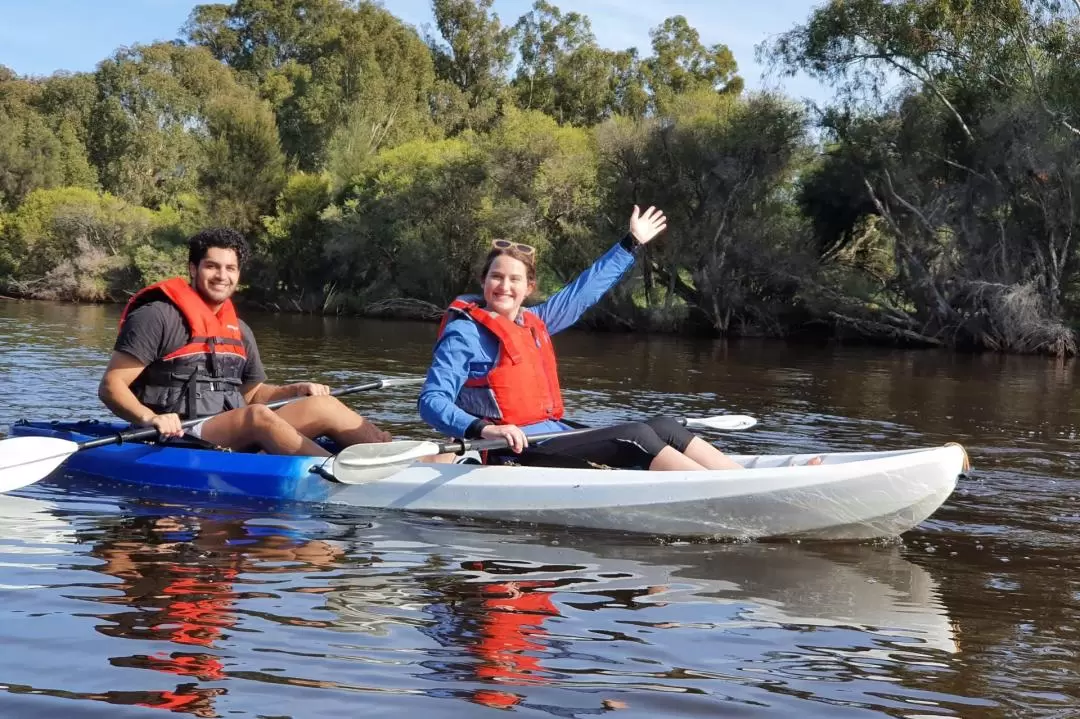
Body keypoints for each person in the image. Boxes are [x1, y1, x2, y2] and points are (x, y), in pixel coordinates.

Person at [418, 206, 748, 471]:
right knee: (635, 436)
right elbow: (432, 401)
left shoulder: (536, 321)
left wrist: (631, 243)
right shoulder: (464, 332)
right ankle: (719, 493)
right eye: (496, 277)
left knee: (663, 425)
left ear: (529, 287)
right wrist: (483, 429)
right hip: (508, 449)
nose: (504, 286)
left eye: (514, 279)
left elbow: (584, 291)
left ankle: (738, 480)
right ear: (484, 280)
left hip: (551, 435)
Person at [98, 228, 391, 456]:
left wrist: (297, 390)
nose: (222, 276)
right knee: (257, 417)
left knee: (322, 404)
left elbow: (252, 395)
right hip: (177, 435)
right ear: (192, 268)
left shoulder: (238, 329)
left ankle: (395, 459)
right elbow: (111, 387)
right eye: (212, 266)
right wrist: (150, 418)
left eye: (230, 268)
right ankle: (335, 474)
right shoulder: (156, 317)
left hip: (233, 427)